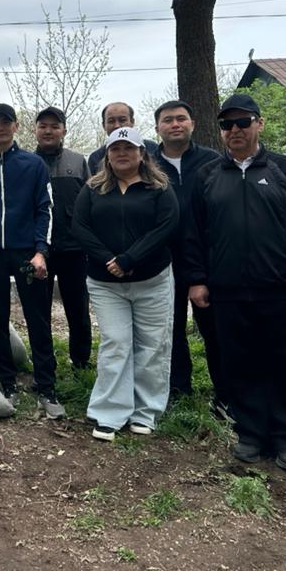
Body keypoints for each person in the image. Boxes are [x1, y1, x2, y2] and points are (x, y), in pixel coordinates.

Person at [183, 94, 286, 473]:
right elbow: (194, 233)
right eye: (227, 125)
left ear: (259, 124)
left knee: (285, 364)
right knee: (238, 364)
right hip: (226, 291)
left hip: (277, 288)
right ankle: (250, 434)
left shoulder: (284, 170)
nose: (235, 130)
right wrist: (196, 280)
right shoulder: (208, 175)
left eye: (243, 122)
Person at [73, 126, 178, 441]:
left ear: (141, 153)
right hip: (106, 284)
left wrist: (130, 259)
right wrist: (110, 259)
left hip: (152, 280)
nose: (122, 154)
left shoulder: (159, 187)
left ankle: (145, 412)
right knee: (116, 344)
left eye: (128, 148)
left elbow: (167, 225)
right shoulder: (93, 188)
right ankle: (109, 413)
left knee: (153, 345)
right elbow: (79, 226)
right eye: (115, 148)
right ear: (107, 155)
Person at [0, 103, 64, 419]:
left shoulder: (32, 165)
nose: (0, 127)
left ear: (16, 126)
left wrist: (40, 251)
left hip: (26, 253)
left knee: (38, 319)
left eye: (5, 122)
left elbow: (44, 209)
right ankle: (6, 382)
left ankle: (46, 384)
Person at [151, 100, 224, 410]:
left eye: (181, 118)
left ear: (192, 124)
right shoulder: (148, 164)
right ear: (157, 128)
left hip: (206, 260)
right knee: (170, 329)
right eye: (168, 120)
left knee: (214, 329)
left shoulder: (213, 162)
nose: (175, 124)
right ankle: (178, 387)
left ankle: (225, 393)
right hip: (162, 260)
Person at [33, 106, 94, 370]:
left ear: (64, 131)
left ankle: (81, 360)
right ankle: (45, 363)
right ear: (35, 130)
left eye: (54, 126)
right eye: (43, 126)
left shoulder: (79, 161)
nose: (48, 131)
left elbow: (91, 201)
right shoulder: (26, 163)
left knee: (78, 307)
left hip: (73, 248)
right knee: (39, 310)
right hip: (38, 251)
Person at [87, 102, 159, 175]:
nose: (117, 126)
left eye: (122, 120)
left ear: (132, 122)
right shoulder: (96, 158)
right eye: (111, 121)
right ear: (104, 125)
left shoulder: (153, 149)